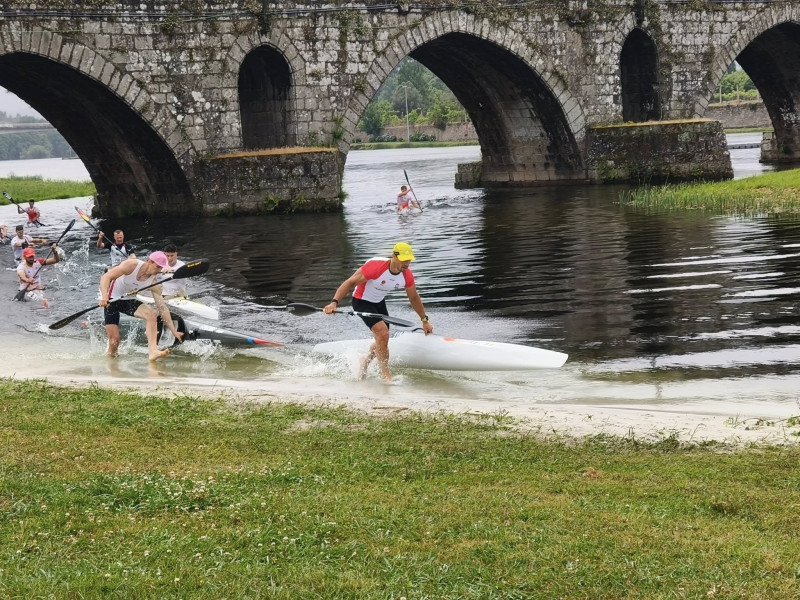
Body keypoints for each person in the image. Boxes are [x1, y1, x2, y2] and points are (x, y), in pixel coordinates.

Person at [323, 241, 433, 382]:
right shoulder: (376, 267)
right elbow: (350, 282)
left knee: (382, 339)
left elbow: (413, 298)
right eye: (404, 260)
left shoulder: (406, 275)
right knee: (383, 333)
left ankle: (365, 361)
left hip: (379, 303)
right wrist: (334, 303)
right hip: (361, 301)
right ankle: (386, 375)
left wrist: (425, 321)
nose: (406, 264)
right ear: (394, 256)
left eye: (409, 260)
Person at [98, 251, 183, 361]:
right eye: (157, 267)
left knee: (151, 314)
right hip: (111, 298)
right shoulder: (131, 265)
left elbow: (162, 307)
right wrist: (104, 296)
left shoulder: (153, 281)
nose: (159, 271)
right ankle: (111, 362)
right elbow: (106, 277)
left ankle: (153, 351)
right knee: (114, 341)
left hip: (128, 300)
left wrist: (173, 330)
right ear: (150, 261)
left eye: (161, 268)